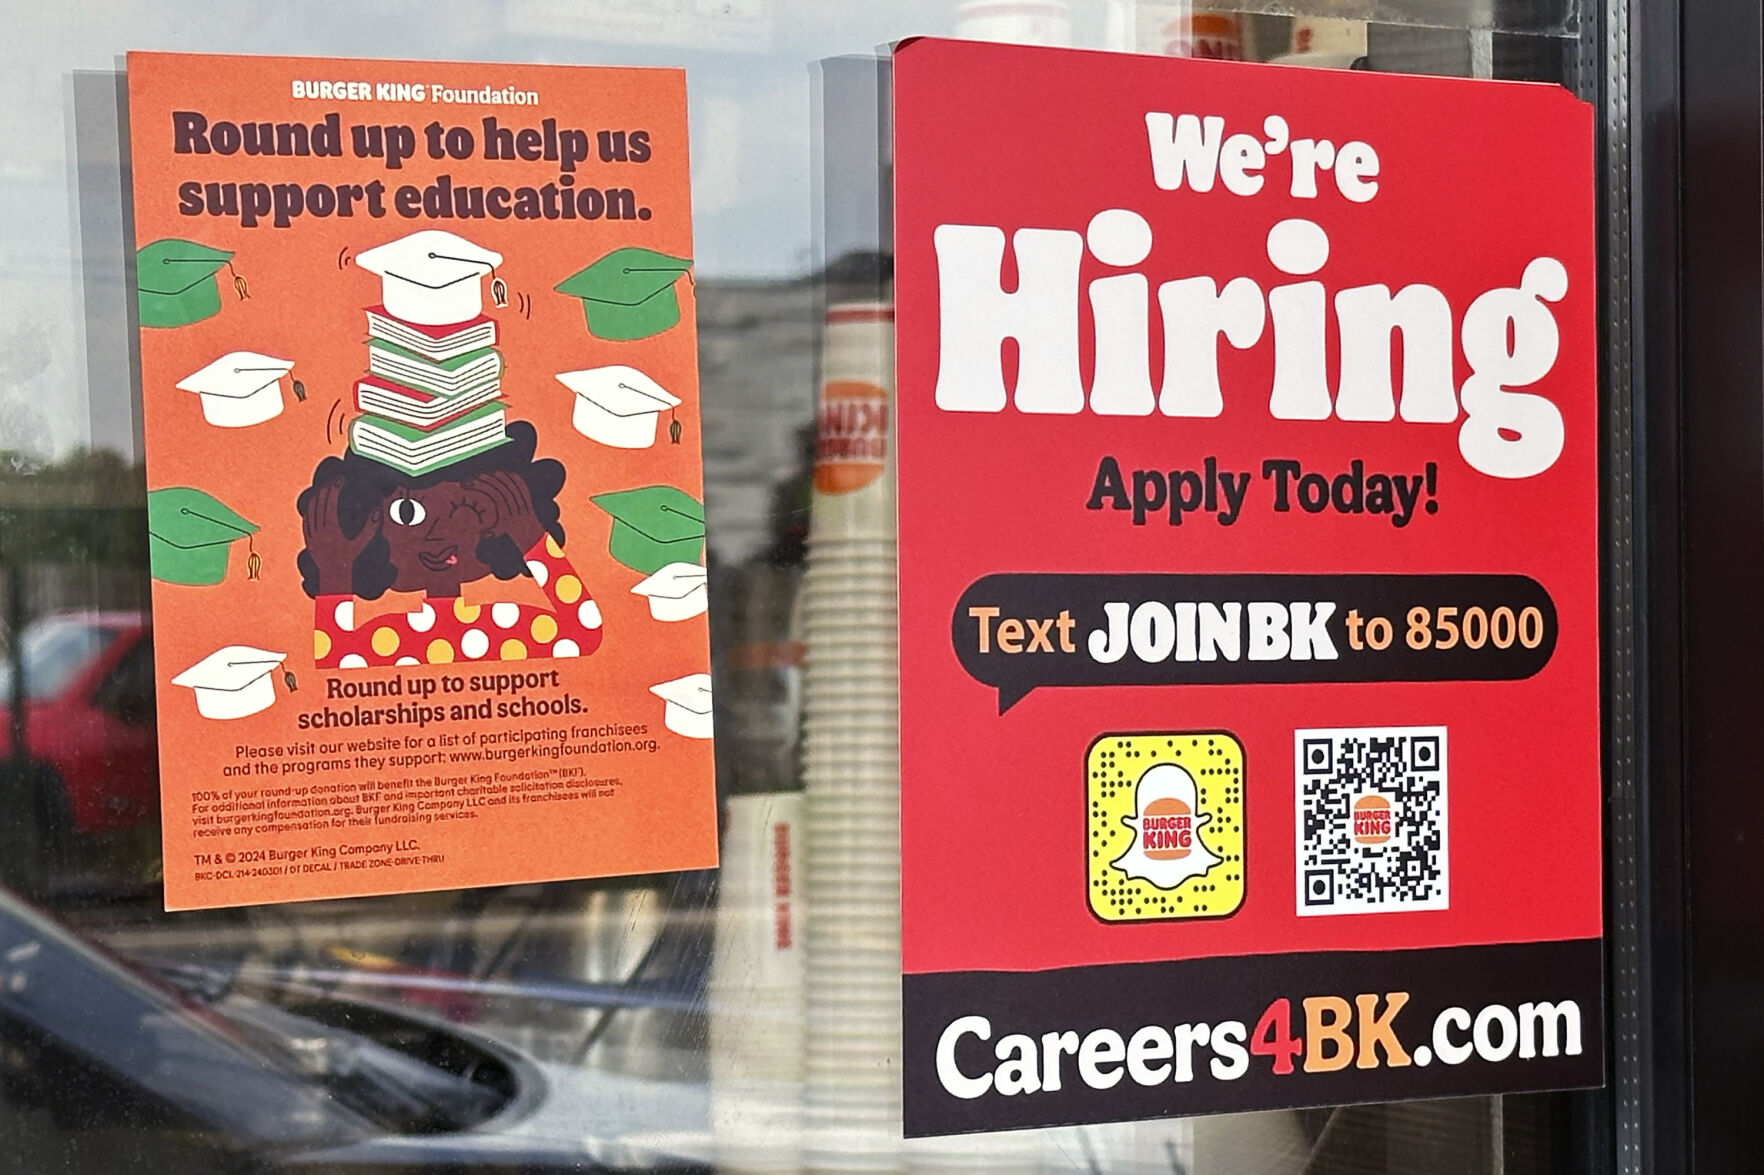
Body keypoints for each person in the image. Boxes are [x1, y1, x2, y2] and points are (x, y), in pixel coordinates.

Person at [297, 422, 603, 667]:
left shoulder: (505, 629)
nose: (439, 533)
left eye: (467, 510)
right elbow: (334, 659)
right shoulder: (392, 638)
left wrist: (526, 531)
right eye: (407, 513)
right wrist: (336, 571)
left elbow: (585, 634)